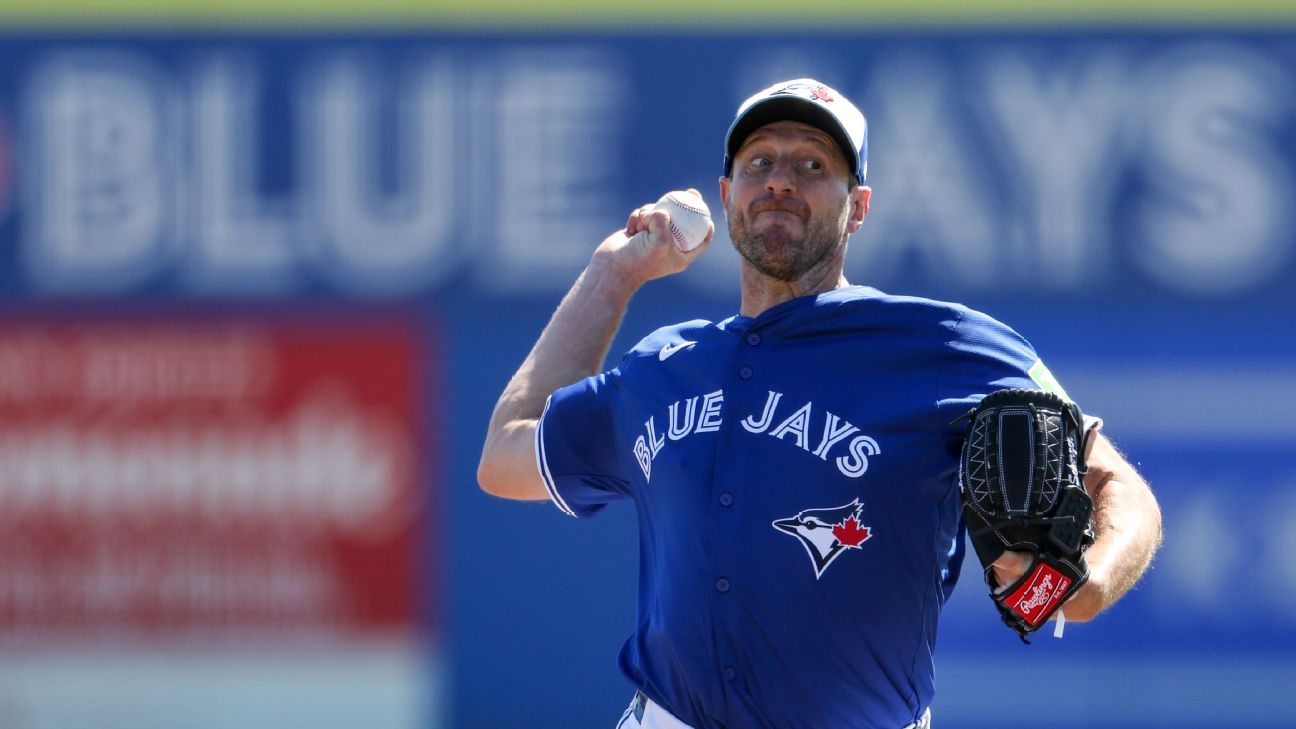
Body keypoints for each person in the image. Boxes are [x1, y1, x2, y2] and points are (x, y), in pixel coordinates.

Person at [477, 78, 1162, 729]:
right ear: (727, 194)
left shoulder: (937, 344)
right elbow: (506, 455)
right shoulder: (665, 366)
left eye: (812, 164)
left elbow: (1118, 483)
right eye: (759, 161)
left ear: (858, 206)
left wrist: (1088, 583)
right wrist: (612, 274)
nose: (780, 180)